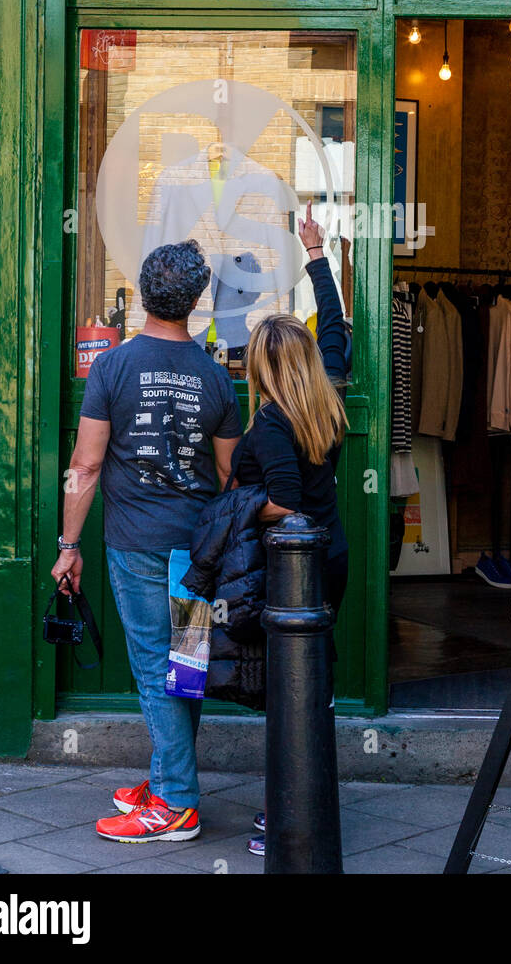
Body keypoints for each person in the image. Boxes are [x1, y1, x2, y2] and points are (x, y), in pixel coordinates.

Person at [51, 239, 242, 844]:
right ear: (195, 300)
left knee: (155, 667)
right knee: (183, 670)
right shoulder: (216, 378)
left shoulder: (112, 367)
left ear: (144, 292)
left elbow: (83, 467)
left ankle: (176, 803)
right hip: (198, 552)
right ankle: (167, 776)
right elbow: (230, 479)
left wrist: (69, 544)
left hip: (136, 546)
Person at [215, 202, 350, 855]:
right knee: (312, 684)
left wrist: (238, 501)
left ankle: (286, 819)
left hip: (292, 573)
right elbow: (337, 336)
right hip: (334, 557)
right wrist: (317, 258)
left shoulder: (271, 424)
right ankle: (308, 806)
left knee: (287, 692)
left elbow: (286, 506)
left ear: (267, 370)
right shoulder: (327, 390)